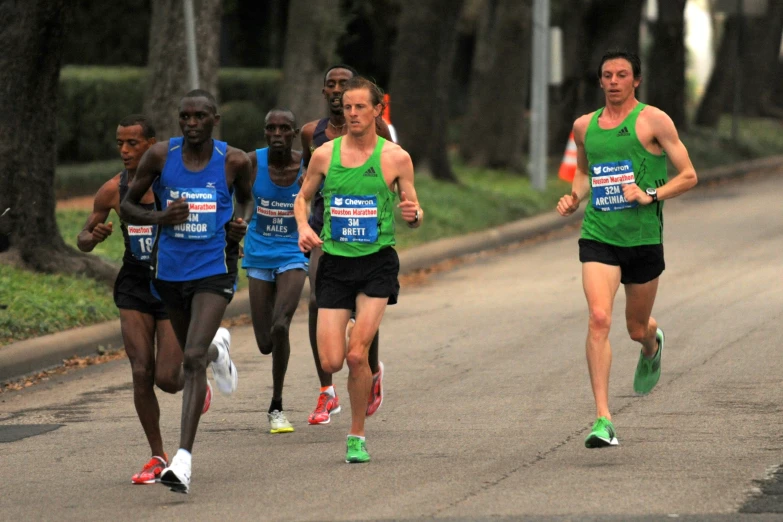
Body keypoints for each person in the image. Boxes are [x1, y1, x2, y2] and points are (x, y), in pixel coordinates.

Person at [556, 50, 697, 448]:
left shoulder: (653, 120)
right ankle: (604, 419)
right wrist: (574, 198)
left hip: (643, 240)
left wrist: (651, 194)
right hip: (598, 234)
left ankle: (653, 343)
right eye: (607, 75)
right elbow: (584, 173)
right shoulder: (584, 126)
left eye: (622, 75)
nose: (614, 81)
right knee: (599, 318)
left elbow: (688, 175)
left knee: (636, 327)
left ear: (636, 80)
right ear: (599, 81)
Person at [121, 90, 254, 493]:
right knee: (188, 359)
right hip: (169, 272)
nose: (191, 123)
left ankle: (183, 460)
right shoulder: (161, 156)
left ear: (215, 118)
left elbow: (246, 201)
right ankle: (219, 350)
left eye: (199, 116)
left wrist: (239, 223)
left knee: (190, 358)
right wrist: (162, 215)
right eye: (184, 117)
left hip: (214, 270)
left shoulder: (233, 160)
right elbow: (128, 206)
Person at [77, 114, 221, 485]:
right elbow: (82, 238)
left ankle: (208, 355)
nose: (125, 150)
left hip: (171, 281)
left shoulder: (173, 183)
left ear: (152, 145)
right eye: (120, 143)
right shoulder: (113, 189)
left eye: (133, 144)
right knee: (140, 371)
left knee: (169, 380)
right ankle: (158, 455)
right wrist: (92, 237)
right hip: (135, 285)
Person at [295, 76, 423, 463]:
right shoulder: (324, 155)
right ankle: (360, 347)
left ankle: (356, 436)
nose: (351, 113)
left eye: (360, 107)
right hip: (334, 263)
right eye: (347, 107)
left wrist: (412, 214)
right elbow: (302, 199)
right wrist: (303, 226)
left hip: (376, 264)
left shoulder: (395, 158)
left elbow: (414, 210)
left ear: (377, 109)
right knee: (331, 361)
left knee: (354, 357)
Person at [300, 65, 394, 426]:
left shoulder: (381, 133)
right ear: (325, 92)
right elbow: (305, 182)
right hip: (326, 233)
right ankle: (328, 385)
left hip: (372, 246)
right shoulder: (314, 134)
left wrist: (407, 210)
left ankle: (367, 367)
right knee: (317, 309)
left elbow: (390, 175)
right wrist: (303, 225)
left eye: (346, 86)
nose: (340, 94)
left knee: (359, 338)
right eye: (332, 86)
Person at [243, 108, 308, 434]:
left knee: (281, 325)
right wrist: (235, 225)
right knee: (265, 343)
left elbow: (322, 200)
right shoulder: (252, 163)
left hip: (293, 251)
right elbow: (236, 199)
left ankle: (277, 405)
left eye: (284, 128)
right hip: (257, 254)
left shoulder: (306, 166)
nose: (277, 134)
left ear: (294, 133)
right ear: (265, 132)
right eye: (271, 128)